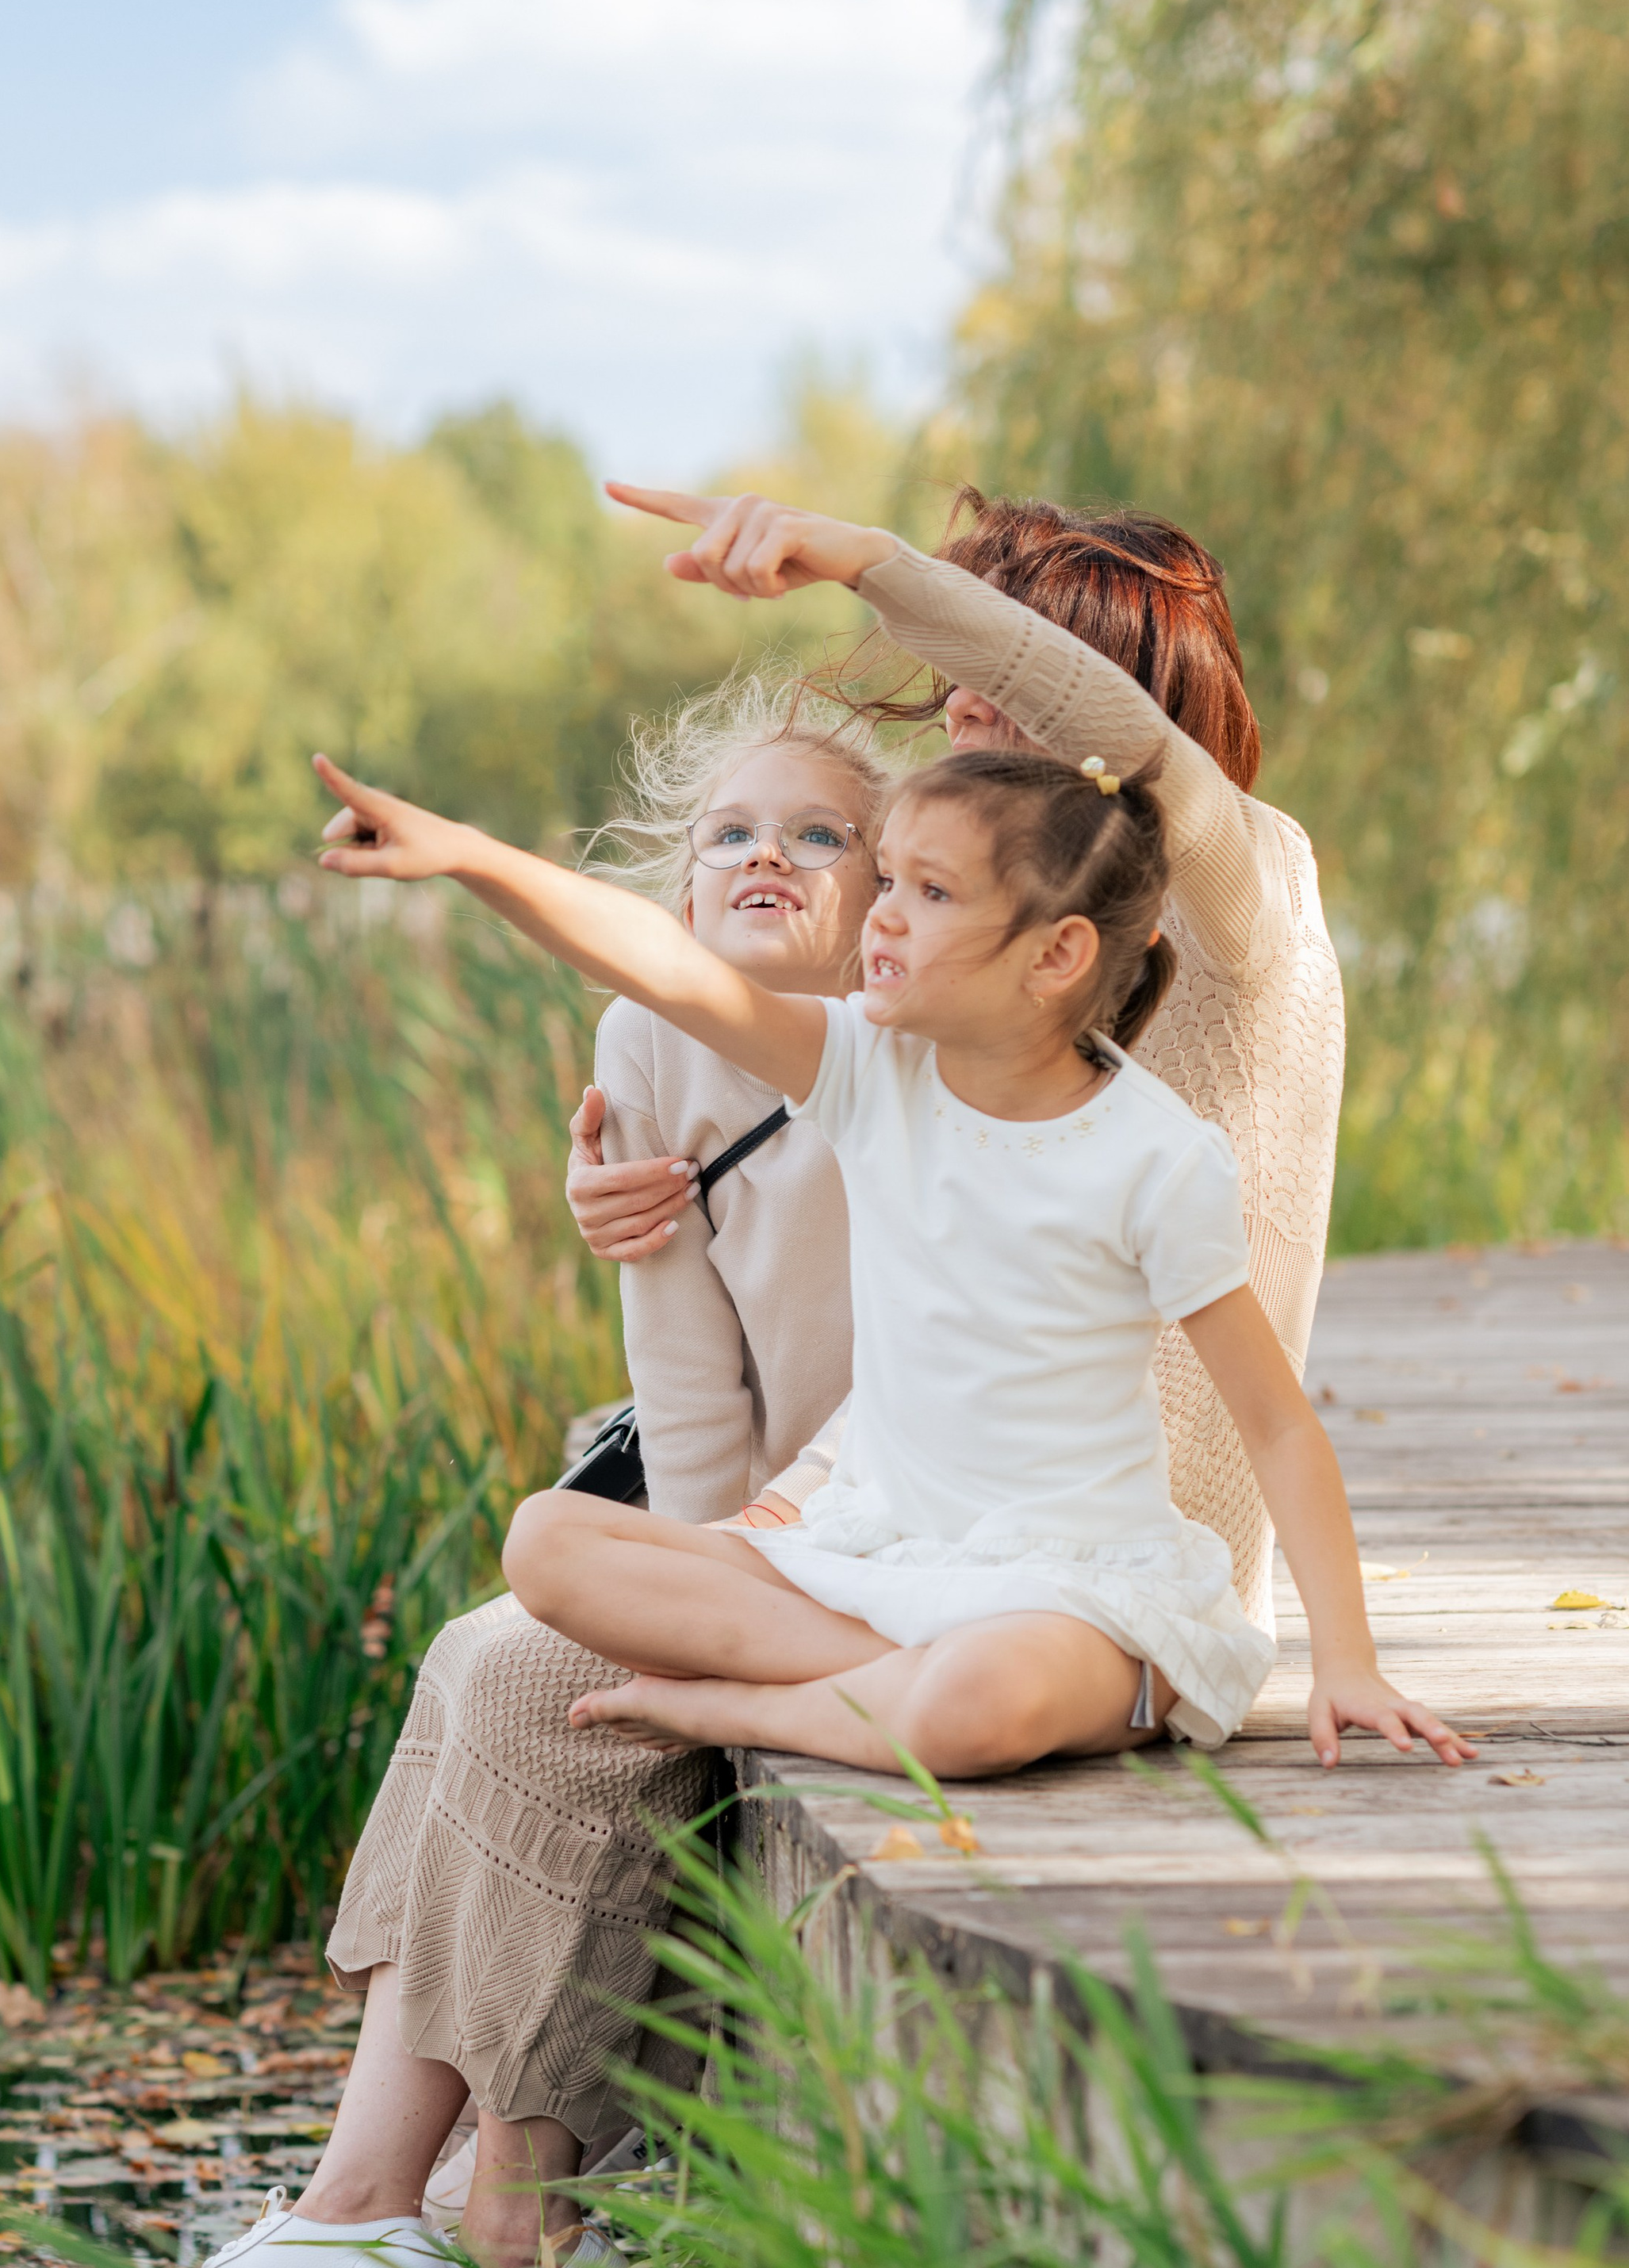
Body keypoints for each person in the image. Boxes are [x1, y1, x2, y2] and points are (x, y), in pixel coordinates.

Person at [76, 679, 884, 2268]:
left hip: (904, 1537)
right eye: (727, 832)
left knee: (532, 1664)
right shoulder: (645, 1048)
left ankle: (469, 2233)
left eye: (816, 832)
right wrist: (700, 1581)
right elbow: (685, 1400)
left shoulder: (923, 1058)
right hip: (751, 1531)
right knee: (489, 1645)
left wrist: (738, 1595)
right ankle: (388, 2219)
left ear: (888, 888)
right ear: (679, 889)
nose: (764, 856)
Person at [311, 731, 1473, 1786]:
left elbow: (1277, 1425)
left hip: (1065, 1591)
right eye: (890, 881)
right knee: (548, 1541)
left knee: (980, 1700)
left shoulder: (1155, 1158)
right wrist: (467, 856)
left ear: (1056, 954)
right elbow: (662, 966)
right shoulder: (870, 1066)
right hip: (875, 1557)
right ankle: (870, 1689)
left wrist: (1348, 1662)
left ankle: (745, 1709)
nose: (882, 917)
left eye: (928, 892)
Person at [571, 485, 1348, 1645]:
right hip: (936, 1526)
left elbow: (1128, 736)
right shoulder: (1001, 932)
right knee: (517, 1627)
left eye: (1009, 663)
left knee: (536, 1682)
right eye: (954, 661)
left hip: (1112, 1579)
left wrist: (870, 563)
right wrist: (652, 1186)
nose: (959, 697)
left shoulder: (1245, 897)